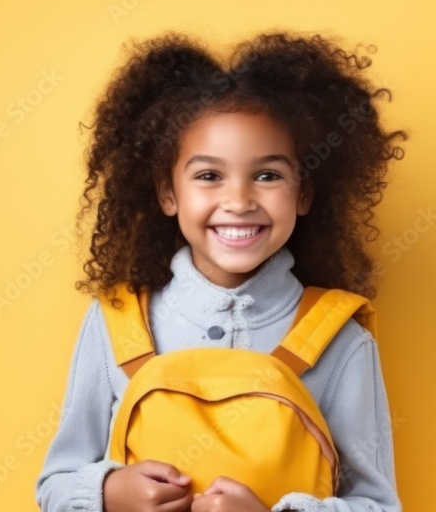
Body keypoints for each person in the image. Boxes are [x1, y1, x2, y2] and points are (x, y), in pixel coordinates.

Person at [35, 31, 407, 512]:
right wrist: (107, 492)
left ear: (304, 193)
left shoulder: (341, 338)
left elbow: (378, 505)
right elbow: (54, 485)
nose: (238, 201)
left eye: (268, 175)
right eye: (209, 176)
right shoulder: (115, 321)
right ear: (168, 194)